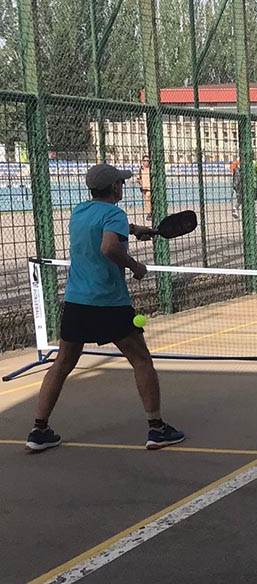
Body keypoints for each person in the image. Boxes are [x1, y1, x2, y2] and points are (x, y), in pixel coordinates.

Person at [25, 163, 186, 453]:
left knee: (62, 364)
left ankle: (39, 430)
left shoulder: (79, 211)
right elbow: (109, 247)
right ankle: (157, 429)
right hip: (109, 302)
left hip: (76, 301)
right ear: (113, 187)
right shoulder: (115, 214)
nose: (123, 186)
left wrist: (135, 230)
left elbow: (103, 229)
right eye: (121, 183)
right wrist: (135, 266)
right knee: (141, 360)